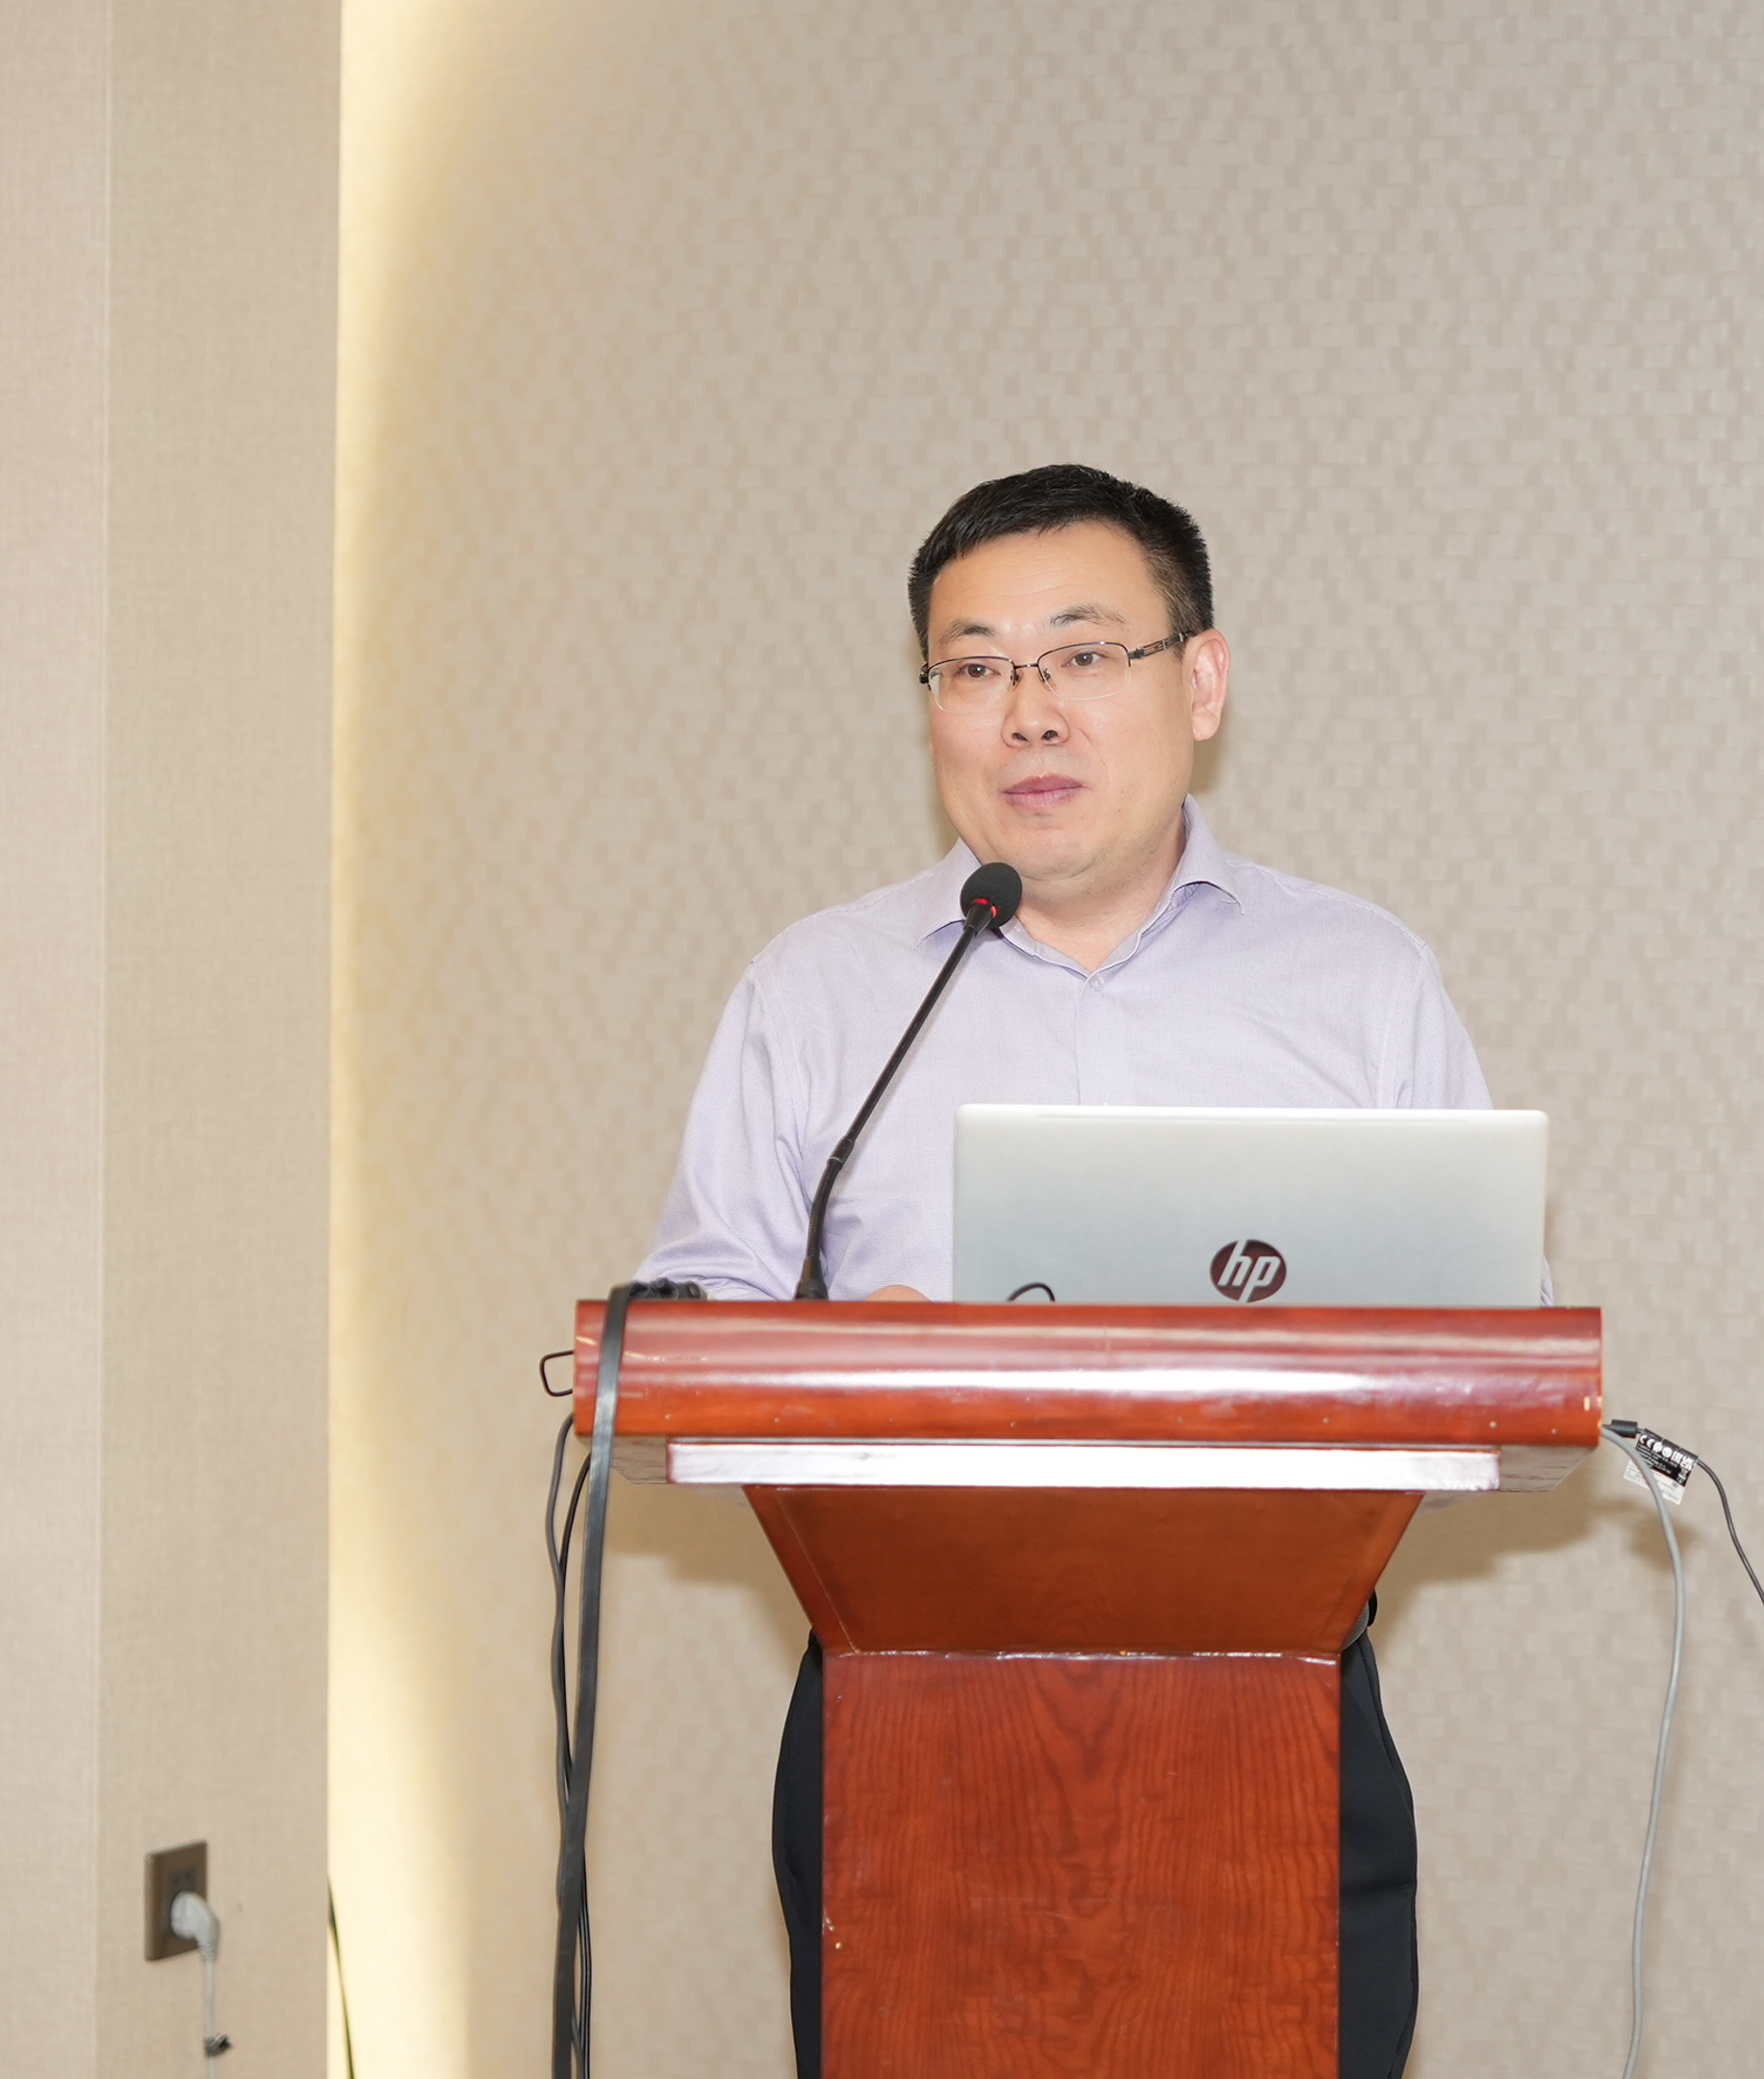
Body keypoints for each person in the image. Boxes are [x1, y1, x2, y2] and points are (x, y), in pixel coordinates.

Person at [636, 463, 1502, 2079]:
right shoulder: (821, 993)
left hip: (1280, 1719)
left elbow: (1479, 1374)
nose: (1027, 712)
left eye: (1084, 655)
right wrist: (849, 1369)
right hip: (901, 1728)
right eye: (975, 667)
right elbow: (688, 1354)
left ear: (1202, 682)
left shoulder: (1361, 984)